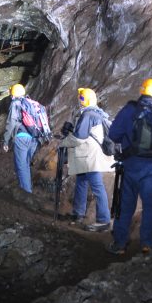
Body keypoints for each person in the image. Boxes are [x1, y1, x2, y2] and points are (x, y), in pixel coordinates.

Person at [106, 78, 152, 254]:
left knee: (126, 205)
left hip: (132, 165)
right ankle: (147, 244)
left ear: (141, 90)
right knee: (150, 206)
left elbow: (113, 134)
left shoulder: (130, 109)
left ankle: (120, 244)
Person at [60, 88, 114, 232]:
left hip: (90, 158)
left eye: (82, 98)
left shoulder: (88, 114)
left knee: (96, 186)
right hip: (87, 157)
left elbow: (79, 138)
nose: (79, 100)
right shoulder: (95, 113)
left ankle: (103, 220)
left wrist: (64, 141)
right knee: (81, 183)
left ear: (87, 100)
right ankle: (78, 213)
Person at [2, 83, 41, 193]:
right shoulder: (30, 103)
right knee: (26, 165)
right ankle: (28, 190)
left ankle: (26, 192)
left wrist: (5, 141)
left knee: (21, 166)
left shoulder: (15, 103)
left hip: (22, 138)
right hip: (34, 139)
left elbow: (11, 123)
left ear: (12, 94)